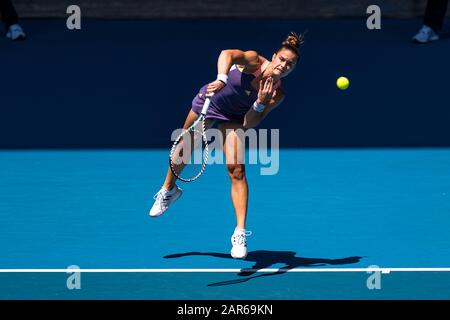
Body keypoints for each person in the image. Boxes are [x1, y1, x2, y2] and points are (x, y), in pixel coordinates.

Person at [149, 32, 304, 259]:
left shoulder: (276, 94)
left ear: (293, 69)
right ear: (274, 56)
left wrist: (260, 103)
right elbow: (227, 54)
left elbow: (249, 123)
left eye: (290, 64)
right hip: (210, 101)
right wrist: (222, 78)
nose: (284, 65)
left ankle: (240, 233)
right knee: (185, 146)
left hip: (235, 117)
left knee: (237, 170)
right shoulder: (253, 61)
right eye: (282, 59)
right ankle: (168, 190)